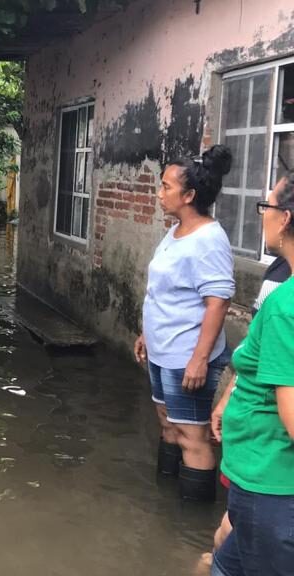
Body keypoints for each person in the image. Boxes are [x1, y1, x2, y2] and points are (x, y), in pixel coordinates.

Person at [133, 145, 234, 501]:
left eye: (166, 187)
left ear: (189, 195)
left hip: (186, 356)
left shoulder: (208, 239)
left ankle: (189, 527)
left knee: (194, 436)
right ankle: (166, 507)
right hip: (163, 351)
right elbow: (163, 290)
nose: (159, 194)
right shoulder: (177, 230)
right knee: (168, 426)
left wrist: (199, 359)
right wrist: (147, 333)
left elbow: (218, 302)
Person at [211, 176, 294, 576]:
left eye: (266, 208)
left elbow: (291, 412)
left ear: (285, 219)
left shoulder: (285, 305)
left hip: (272, 481)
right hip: (259, 475)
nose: (262, 217)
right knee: (224, 563)